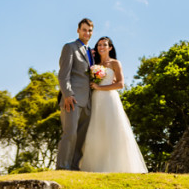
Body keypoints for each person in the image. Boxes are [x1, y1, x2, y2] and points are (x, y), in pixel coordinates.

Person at [79, 36, 148, 173]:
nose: (101, 47)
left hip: (110, 99)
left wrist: (100, 88)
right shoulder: (93, 64)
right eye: (99, 45)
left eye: (104, 45)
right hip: (96, 99)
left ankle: (117, 167)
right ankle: (95, 167)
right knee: (96, 130)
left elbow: (120, 84)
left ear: (110, 47)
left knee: (113, 129)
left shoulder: (115, 63)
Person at [56, 18, 94, 170]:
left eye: (90, 30)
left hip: (87, 102)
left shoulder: (91, 54)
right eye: (84, 29)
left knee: (80, 138)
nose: (87, 33)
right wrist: (67, 94)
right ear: (78, 30)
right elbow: (63, 74)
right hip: (72, 99)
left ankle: (73, 167)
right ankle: (62, 167)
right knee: (70, 134)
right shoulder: (70, 47)